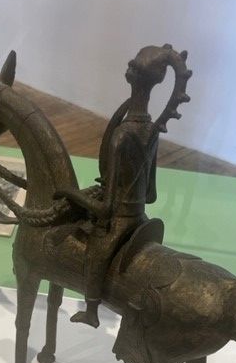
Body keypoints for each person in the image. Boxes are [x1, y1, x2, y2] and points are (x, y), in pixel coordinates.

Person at [54, 46, 169, 327]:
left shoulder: (122, 135)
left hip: (118, 224)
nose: (129, 65)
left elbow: (106, 210)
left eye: (133, 65)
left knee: (94, 257)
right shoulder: (152, 130)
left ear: (134, 76)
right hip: (141, 219)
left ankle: (91, 311)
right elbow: (150, 194)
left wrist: (70, 193)